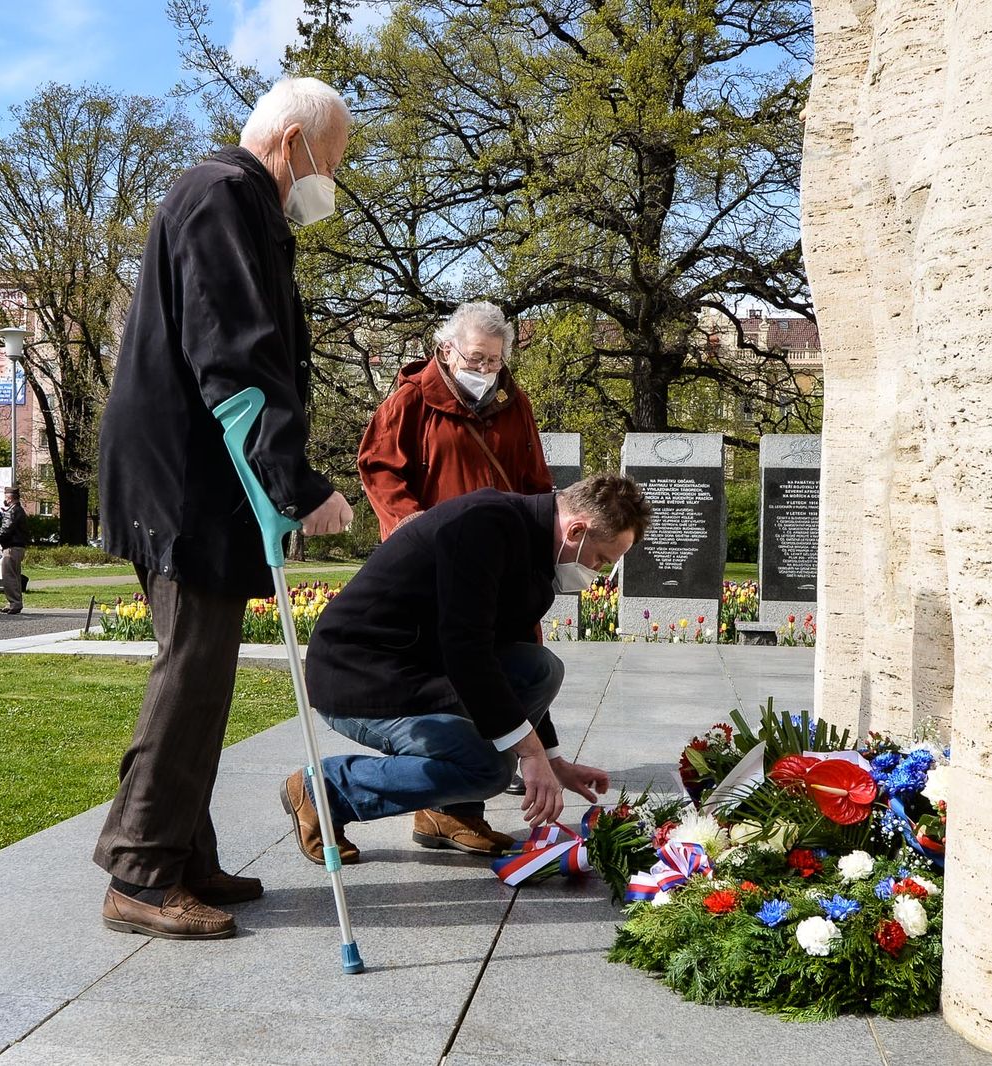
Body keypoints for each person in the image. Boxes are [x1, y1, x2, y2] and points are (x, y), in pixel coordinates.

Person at [93, 77, 355, 942]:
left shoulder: (234, 201)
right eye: (333, 160)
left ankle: (181, 853)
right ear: (291, 142)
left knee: (202, 669)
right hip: (185, 478)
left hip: (193, 474)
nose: (332, 179)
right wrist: (298, 483)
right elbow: (234, 353)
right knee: (193, 668)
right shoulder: (223, 193)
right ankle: (138, 869)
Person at [283, 474, 651, 864]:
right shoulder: (484, 525)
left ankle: (448, 811)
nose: (596, 574)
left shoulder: (532, 551)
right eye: (602, 560)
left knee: (539, 668)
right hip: (362, 676)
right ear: (577, 529)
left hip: (422, 668)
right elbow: (467, 650)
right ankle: (326, 789)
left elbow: (507, 662)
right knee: (490, 767)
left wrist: (554, 762)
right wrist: (529, 755)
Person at [358, 301, 554, 538]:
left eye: (494, 360)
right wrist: (413, 528)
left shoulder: (516, 403)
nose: (484, 369)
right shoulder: (412, 400)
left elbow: (536, 479)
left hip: (503, 550)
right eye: (475, 357)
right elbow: (378, 467)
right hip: (433, 550)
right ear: (447, 350)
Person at [0, 486, 30, 614]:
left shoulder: (12, 511)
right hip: (18, 547)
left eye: (5, 497)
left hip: (12, 548)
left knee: (9, 576)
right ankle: (13, 602)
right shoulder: (19, 510)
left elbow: (7, 529)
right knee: (15, 576)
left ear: (9, 498)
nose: (5, 499)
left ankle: (14, 603)